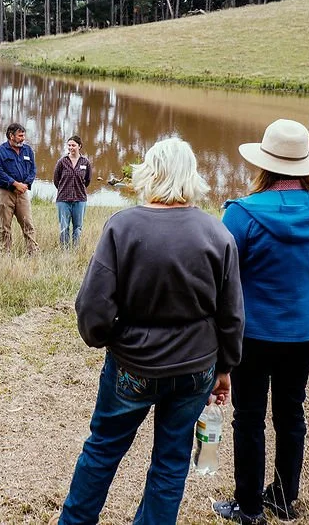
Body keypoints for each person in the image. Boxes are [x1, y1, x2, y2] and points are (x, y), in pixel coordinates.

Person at [58, 137, 244, 525]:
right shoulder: (217, 233)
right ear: (191, 178)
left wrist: (106, 338)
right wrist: (225, 368)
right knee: (171, 460)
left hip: (132, 366)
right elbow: (231, 315)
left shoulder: (122, 227)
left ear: (150, 173)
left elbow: (93, 307)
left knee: (103, 450)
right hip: (195, 369)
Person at [213, 119, 309, 524]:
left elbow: (221, 278)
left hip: (251, 331)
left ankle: (249, 507)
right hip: (304, 330)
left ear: (264, 164)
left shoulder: (241, 214)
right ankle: (285, 499)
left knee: (249, 415)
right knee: (292, 412)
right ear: (306, 164)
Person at [0, 122, 39, 254]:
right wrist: (15, 184)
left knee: (28, 223)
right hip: (5, 193)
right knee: (5, 226)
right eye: (20, 136)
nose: (23, 138)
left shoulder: (28, 150)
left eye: (23, 135)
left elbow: (33, 169)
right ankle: (5, 253)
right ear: (11, 136)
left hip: (22, 193)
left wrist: (25, 185)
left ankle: (33, 252)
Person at [53, 135, 91, 248]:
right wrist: (64, 189)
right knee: (64, 227)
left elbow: (87, 180)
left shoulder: (85, 162)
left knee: (78, 227)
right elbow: (56, 180)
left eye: (73, 145)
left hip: (80, 199)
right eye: (69, 145)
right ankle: (65, 250)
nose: (71, 148)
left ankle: (75, 249)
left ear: (79, 146)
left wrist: (79, 189)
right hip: (63, 199)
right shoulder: (62, 162)